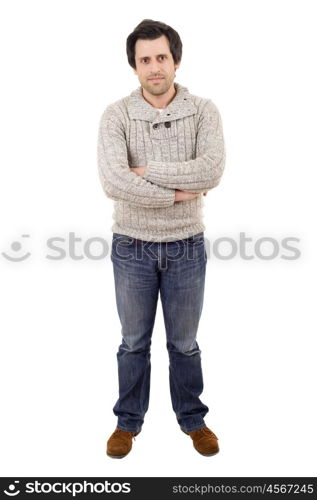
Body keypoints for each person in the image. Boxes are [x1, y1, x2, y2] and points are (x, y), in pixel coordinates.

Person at [97, 19, 226, 458]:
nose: (154, 68)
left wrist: (146, 172)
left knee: (184, 343)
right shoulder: (117, 115)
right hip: (131, 246)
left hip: (187, 245)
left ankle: (193, 419)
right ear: (134, 66)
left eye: (161, 58)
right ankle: (127, 422)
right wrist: (178, 193)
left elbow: (211, 171)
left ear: (176, 60)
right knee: (133, 341)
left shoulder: (204, 111)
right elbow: (114, 182)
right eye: (144, 60)